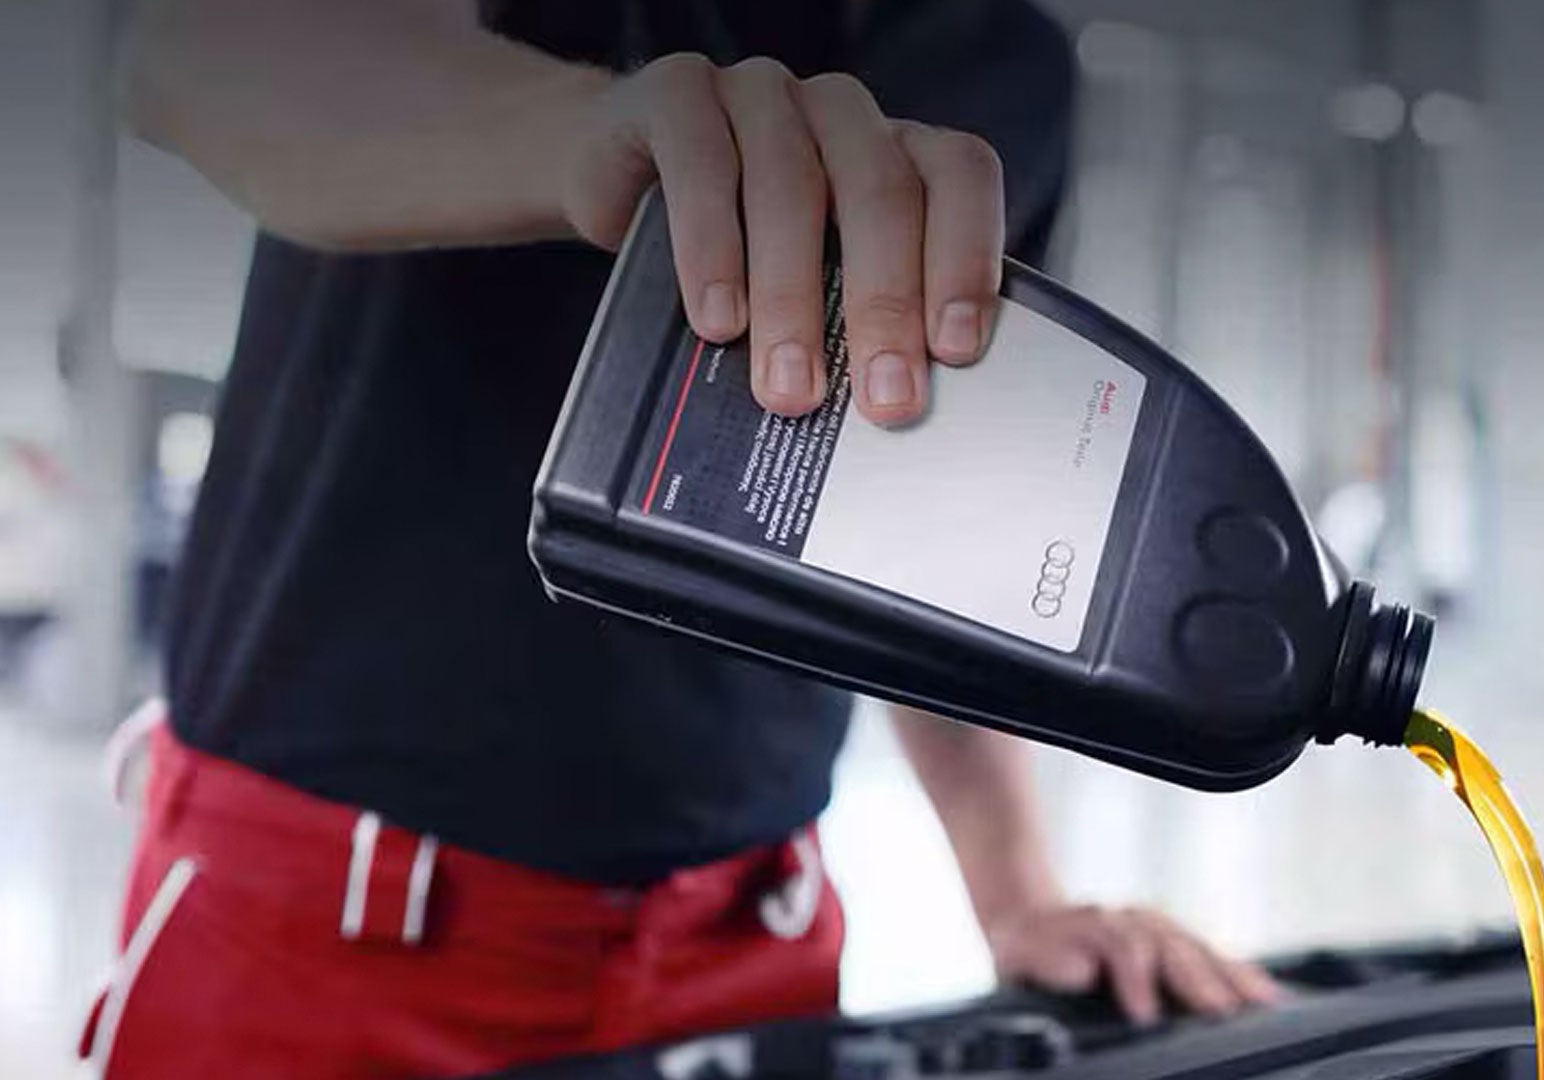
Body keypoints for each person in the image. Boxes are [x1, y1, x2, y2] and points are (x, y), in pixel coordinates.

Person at [85, 1, 1283, 1075]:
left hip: (748, 948)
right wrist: (590, 135)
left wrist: (1018, 891)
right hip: (326, 935)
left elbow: (938, 538)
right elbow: (194, 56)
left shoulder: (1001, 67)